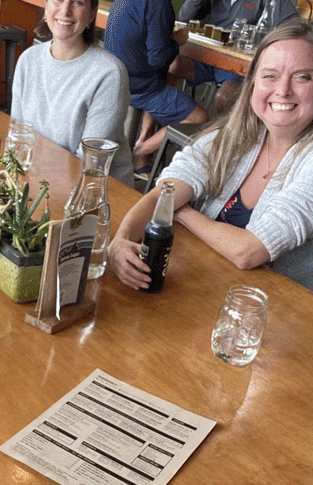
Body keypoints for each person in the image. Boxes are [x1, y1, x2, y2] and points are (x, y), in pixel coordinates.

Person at [109, 18, 313, 292]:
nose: (283, 90)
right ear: (252, 83)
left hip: (278, 311)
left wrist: (182, 213)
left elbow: (249, 250)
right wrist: (120, 241)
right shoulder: (238, 134)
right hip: (209, 285)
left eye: (303, 77)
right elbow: (168, 190)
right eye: (270, 75)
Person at [10, 0, 133, 185]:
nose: (65, 11)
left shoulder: (109, 73)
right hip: (40, 182)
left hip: (93, 193)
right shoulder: (28, 60)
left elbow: (87, 163)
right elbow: (19, 138)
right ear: (46, 5)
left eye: (77, 2)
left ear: (91, 14)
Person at [104, 0, 208, 171]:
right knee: (200, 119)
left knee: (168, 77)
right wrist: (178, 41)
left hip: (116, 79)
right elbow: (158, 58)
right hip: (137, 87)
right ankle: (141, 150)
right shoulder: (160, 3)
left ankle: (142, 144)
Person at [176, 0, 299, 113]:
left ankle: (224, 137)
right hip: (208, 56)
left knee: (224, 97)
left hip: (237, 64)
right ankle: (180, 121)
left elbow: (292, 23)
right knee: (167, 65)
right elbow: (184, 16)